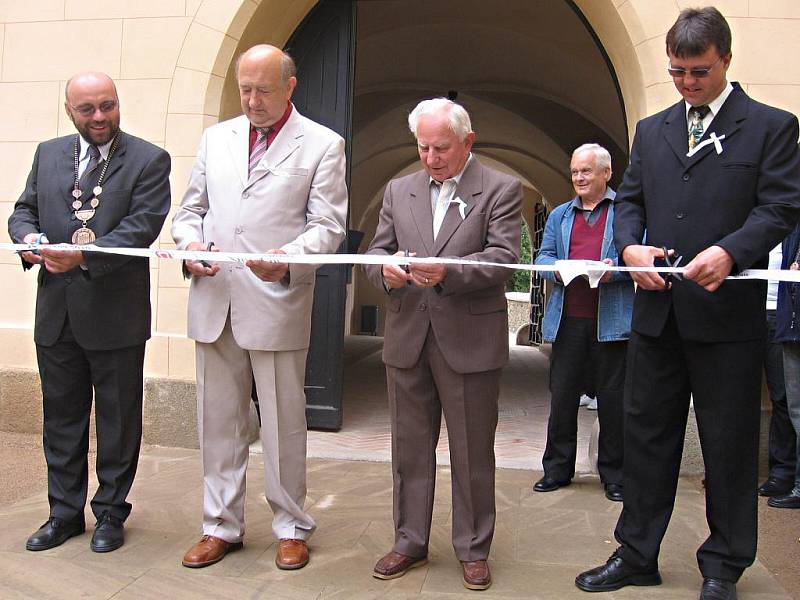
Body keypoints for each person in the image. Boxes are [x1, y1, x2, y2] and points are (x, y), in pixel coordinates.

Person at [575, 7, 800, 599]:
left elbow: (779, 207)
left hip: (728, 319)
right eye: (676, 72)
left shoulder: (772, 126)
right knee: (647, 437)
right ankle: (636, 553)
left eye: (697, 71)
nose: (686, 83)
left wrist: (730, 252)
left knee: (728, 445)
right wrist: (629, 249)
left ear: (724, 58)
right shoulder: (652, 130)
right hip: (658, 313)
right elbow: (630, 202)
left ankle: (724, 566)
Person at [171, 44, 347, 571]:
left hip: (276, 300)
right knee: (218, 423)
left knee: (283, 423)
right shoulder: (214, 138)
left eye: (262, 90)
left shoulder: (322, 144)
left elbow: (329, 227)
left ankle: (292, 526)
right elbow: (190, 212)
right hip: (214, 298)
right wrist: (190, 246)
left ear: (290, 86)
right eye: (244, 89)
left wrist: (290, 260)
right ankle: (218, 525)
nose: (251, 100)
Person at [8, 72, 171, 553]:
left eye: (108, 106)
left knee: (118, 422)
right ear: (69, 111)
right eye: (88, 110)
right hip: (56, 312)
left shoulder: (147, 159)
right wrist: (30, 239)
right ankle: (63, 514)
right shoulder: (48, 153)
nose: (100, 117)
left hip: (115, 314)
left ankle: (110, 514)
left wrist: (84, 255)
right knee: (60, 418)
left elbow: (141, 228)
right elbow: (23, 210)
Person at [364, 97, 521, 591]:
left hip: (469, 338)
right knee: (409, 449)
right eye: (423, 147)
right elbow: (375, 252)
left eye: (441, 148)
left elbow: (503, 258)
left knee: (473, 450)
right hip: (408, 333)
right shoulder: (398, 189)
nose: (431, 157)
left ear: (467, 141)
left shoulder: (500, 188)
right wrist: (384, 272)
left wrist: (448, 272)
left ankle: (473, 548)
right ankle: (409, 540)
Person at [534, 143, 633, 502]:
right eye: (575, 171)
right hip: (568, 321)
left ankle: (615, 476)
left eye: (586, 171)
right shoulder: (560, 215)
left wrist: (613, 273)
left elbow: (639, 258)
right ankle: (557, 470)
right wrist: (557, 269)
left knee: (614, 401)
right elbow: (543, 256)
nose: (578, 177)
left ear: (606, 173)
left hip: (612, 322)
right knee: (562, 399)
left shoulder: (625, 212)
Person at [760, 243, 797, 498]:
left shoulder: (789, 223)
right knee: (734, 397)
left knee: (783, 397)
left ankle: (781, 473)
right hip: (743, 312)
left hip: (781, 314)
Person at [771, 224, 800, 509]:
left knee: (793, 406)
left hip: (791, 322)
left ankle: (794, 480)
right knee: (793, 407)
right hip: (784, 323)